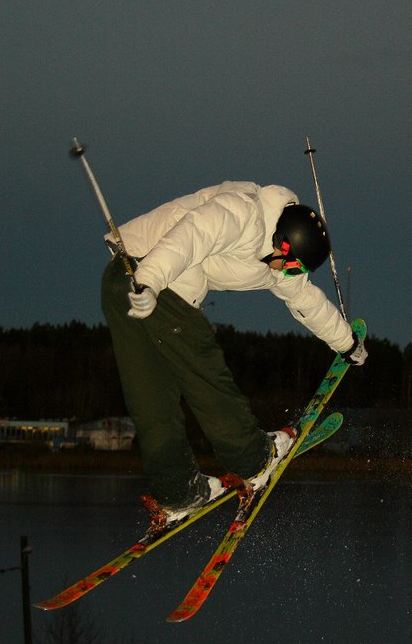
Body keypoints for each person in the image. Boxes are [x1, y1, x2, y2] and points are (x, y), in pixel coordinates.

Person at [101, 183, 367, 521]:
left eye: (297, 270)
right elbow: (192, 234)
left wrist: (347, 344)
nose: (289, 273)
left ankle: (177, 491)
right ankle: (254, 458)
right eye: (292, 265)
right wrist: (151, 279)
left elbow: (305, 299)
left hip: (122, 286)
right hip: (151, 278)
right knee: (206, 373)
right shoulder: (244, 213)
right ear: (283, 243)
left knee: (151, 396)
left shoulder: (277, 261)